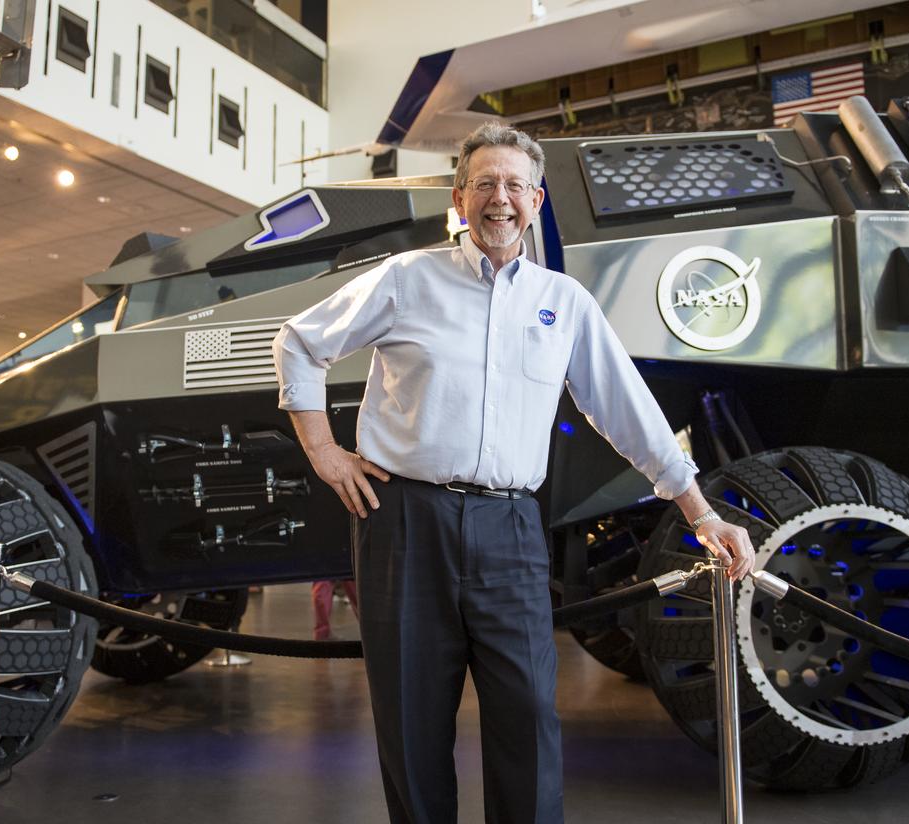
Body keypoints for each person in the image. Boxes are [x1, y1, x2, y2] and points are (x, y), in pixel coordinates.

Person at [272, 122, 755, 824]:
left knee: (528, 716)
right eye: (485, 184)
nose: (500, 199)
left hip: (510, 528)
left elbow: (628, 413)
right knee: (412, 726)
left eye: (514, 186)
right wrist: (322, 450)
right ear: (460, 196)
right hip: (405, 522)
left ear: (536, 199)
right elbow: (299, 342)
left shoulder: (563, 303)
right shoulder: (407, 279)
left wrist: (701, 513)